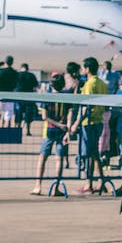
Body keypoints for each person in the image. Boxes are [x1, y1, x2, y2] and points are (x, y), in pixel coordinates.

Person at [68, 57, 108, 194]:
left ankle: (89, 183)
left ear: (88, 69)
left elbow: (86, 107)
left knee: (89, 154)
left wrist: (76, 123)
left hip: (89, 123)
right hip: (99, 121)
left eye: (83, 68)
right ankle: (99, 181)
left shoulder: (89, 85)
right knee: (94, 153)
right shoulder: (102, 83)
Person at [31, 74, 71, 195]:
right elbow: (70, 114)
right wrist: (67, 129)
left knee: (42, 157)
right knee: (59, 159)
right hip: (62, 131)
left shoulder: (47, 97)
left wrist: (57, 124)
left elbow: (44, 117)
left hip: (49, 130)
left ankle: (38, 186)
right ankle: (55, 187)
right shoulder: (67, 97)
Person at [0, 56, 20, 128]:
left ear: (5, 62)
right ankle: (7, 132)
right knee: (8, 115)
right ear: (12, 62)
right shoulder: (15, 73)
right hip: (9, 95)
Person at [15, 63, 40, 135]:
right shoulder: (31, 75)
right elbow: (36, 86)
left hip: (18, 98)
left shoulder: (17, 75)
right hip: (29, 98)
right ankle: (28, 131)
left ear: (21, 68)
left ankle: (18, 130)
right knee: (28, 116)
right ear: (27, 68)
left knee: (18, 115)